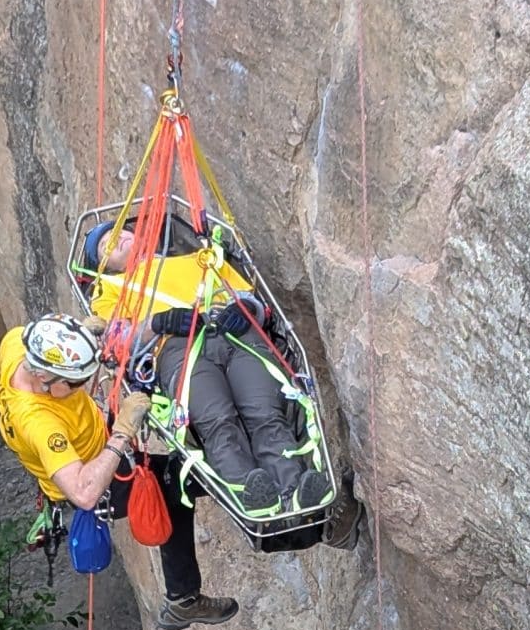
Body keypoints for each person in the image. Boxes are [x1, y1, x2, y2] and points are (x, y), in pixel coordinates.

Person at [82, 212, 360, 540]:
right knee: (217, 422)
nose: (118, 239)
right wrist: (157, 324)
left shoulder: (200, 256)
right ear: (104, 267)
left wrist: (246, 310)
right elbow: (114, 340)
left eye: (120, 232)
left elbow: (252, 298)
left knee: (265, 413)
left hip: (235, 332)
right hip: (175, 348)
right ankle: (253, 497)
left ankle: (295, 490)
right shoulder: (109, 289)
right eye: (106, 245)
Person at [0, 311, 238, 630]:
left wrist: (80, 338)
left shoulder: (17, 344)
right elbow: (83, 492)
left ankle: (183, 599)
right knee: (177, 483)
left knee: (173, 490)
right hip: (99, 479)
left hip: (91, 438)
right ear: (44, 378)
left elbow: (12, 364)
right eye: (75, 382)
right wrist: (122, 432)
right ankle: (185, 600)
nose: (82, 385)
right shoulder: (40, 424)